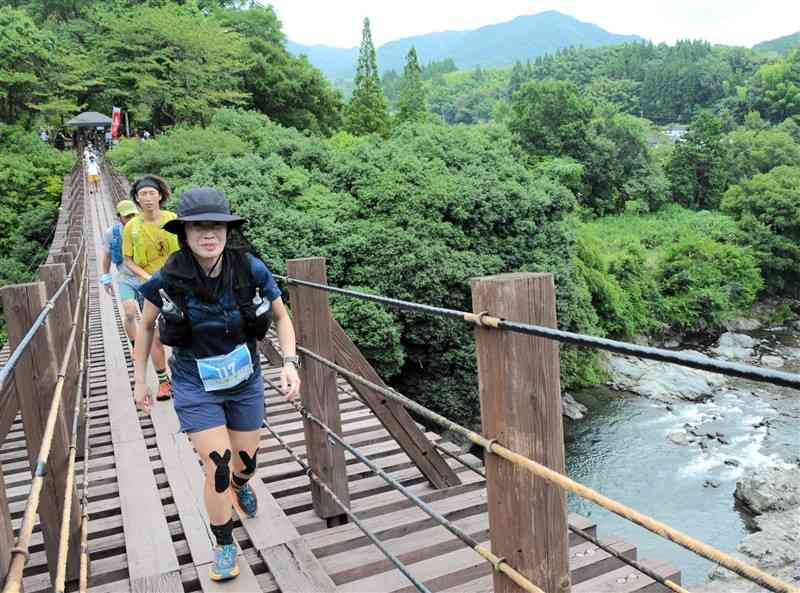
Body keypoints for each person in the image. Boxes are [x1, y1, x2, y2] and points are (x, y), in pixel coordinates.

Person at [133, 187, 300, 582]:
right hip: (194, 381)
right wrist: (139, 376)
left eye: (217, 227)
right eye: (199, 227)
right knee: (219, 468)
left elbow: (282, 317)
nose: (209, 235)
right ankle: (225, 543)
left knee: (245, 465)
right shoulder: (170, 275)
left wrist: (289, 362)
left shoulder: (250, 269)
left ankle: (243, 486)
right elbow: (145, 324)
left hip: (245, 379)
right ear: (185, 232)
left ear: (227, 231)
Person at [123, 175, 180, 401]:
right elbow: (128, 260)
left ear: (160, 195)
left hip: (177, 281)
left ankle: (185, 373)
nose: (147, 198)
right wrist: (148, 277)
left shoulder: (173, 219)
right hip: (150, 286)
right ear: (136, 198)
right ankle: (164, 381)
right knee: (154, 333)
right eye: (142, 194)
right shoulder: (132, 227)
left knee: (184, 327)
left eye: (151, 193)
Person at [100, 199, 141, 345]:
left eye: (133, 215)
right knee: (130, 312)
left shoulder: (144, 228)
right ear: (119, 217)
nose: (131, 219)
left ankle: (153, 346)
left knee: (151, 316)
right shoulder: (111, 233)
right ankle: (135, 346)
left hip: (145, 277)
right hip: (125, 277)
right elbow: (107, 255)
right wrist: (106, 277)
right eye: (127, 216)